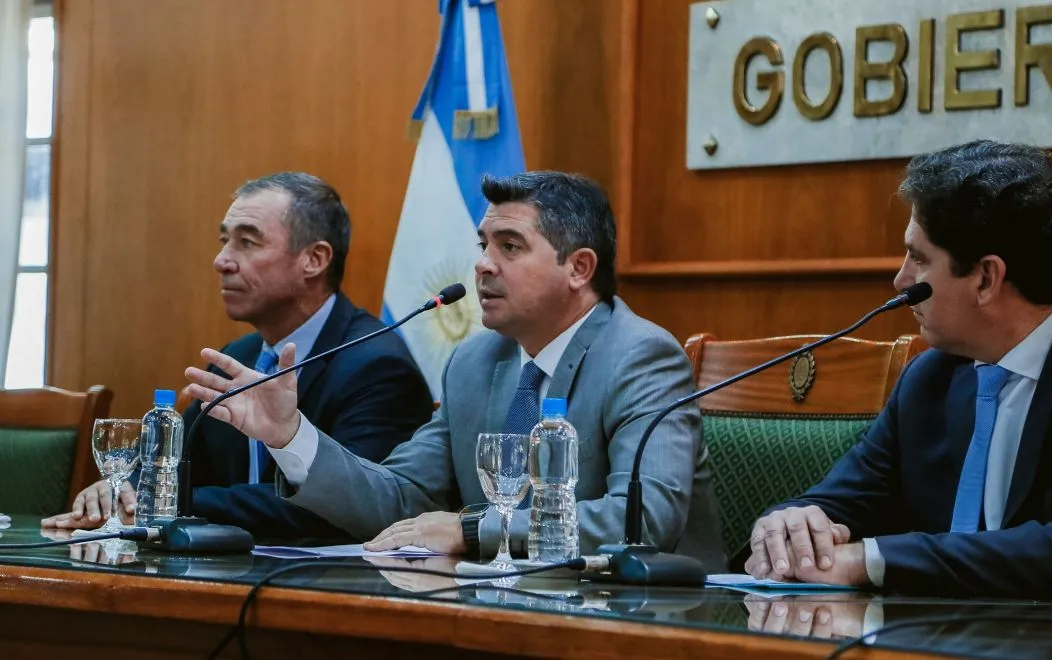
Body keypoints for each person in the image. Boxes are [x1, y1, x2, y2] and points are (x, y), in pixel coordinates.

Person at [185, 171, 724, 568]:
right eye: (484, 245)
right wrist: (290, 436)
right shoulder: (475, 361)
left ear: (579, 268)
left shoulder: (641, 357)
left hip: (651, 615)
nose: (483, 264)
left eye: (510, 247)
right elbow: (400, 497)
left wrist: (471, 529)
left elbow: (642, 521)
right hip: (501, 605)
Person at [744, 140, 1052, 601]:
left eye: (919, 258)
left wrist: (870, 560)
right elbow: (839, 501)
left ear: (986, 278)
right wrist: (792, 524)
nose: (901, 280)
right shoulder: (930, 379)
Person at [43, 172, 433, 538]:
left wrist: (163, 504)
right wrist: (121, 490)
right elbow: (173, 467)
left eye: (247, 242)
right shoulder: (237, 358)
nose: (222, 261)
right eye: (224, 241)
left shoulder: (378, 366)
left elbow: (341, 506)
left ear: (314, 260)